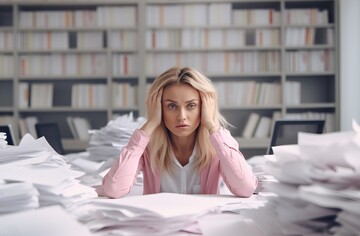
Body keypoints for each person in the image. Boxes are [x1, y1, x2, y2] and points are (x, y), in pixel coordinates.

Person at [98, 67, 258, 198]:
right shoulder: (148, 148)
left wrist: (211, 125)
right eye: (172, 106)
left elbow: (246, 188)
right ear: (159, 107)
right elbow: (113, 189)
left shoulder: (218, 146)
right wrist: (151, 123)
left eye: (191, 105)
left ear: (204, 107)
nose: (182, 117)